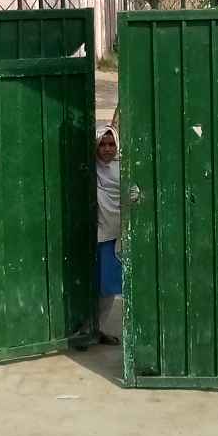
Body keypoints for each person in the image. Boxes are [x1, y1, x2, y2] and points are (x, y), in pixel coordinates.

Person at [95, 123, 123, 344]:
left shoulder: (123, 168)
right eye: (102, 144)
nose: (107, 149)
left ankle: (99, 328)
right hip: (94, 233)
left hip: (114, 234)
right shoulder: (90, 168)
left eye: (111, 144)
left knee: (109, 286)